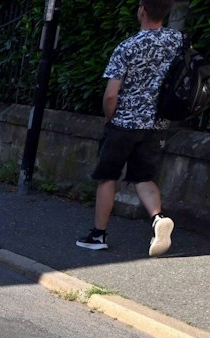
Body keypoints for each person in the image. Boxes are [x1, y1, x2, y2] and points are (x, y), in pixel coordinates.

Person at [77, 0, 183, 255]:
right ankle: (158, 219)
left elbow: (111, 94)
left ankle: (98, 234)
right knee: (143, 177)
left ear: (142, 11)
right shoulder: (177, 41)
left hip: (125, 122)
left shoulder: (128, 47)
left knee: (107, 177)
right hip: (157, 124)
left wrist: (109, 117)